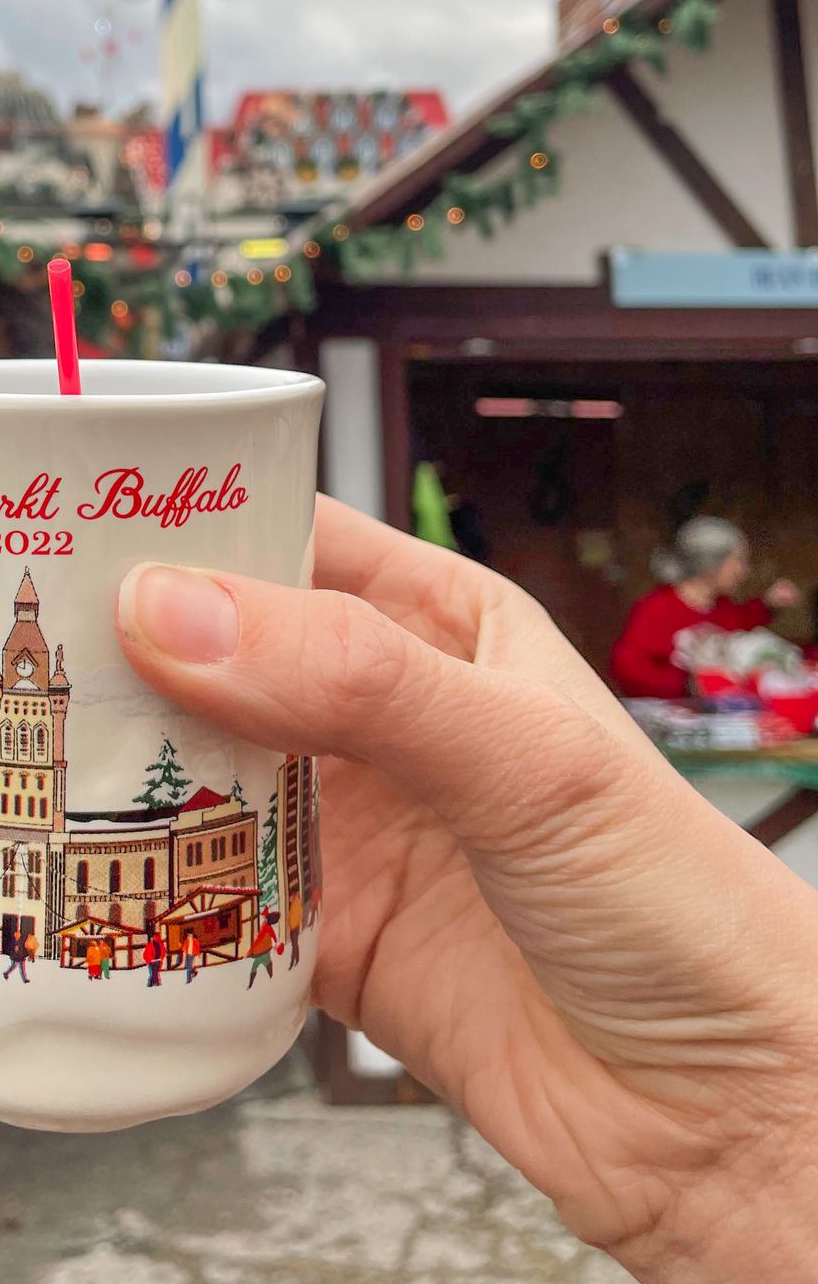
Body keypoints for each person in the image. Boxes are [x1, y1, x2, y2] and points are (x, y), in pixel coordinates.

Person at [116, 493, 818, 1282]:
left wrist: (757, 1143)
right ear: (712, 563)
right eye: (733, 565)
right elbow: (639, 666)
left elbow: (735, 644)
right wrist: (749, 1158)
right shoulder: (661, 611)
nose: (738, 576)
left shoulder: (718, 613)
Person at [610, 515, 797, 699]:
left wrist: (768, 604)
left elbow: (740, 621)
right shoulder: (657, 608)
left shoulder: (721, 606)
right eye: (738, 560)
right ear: (711, 563)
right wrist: (687, 684)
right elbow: (627, 667)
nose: (744, 571)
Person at [245, 908, 279, 987]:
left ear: (267, 918)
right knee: (267, 963)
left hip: (260, 952)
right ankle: (272, 979)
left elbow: (258, 940)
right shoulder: (267, 926)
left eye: (264, 917)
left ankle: (251, 984)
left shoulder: (264, 927)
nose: (263, 918)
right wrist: (275, 942)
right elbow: (273, 935)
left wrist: (250, 950)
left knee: (256, 966)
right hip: (265, 950)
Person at [286, 892, 303, 970]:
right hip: (293, 927)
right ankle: (297, 959)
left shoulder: (296, 903)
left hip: (294, 928)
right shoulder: (294, 903)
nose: (289, 898)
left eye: (290, 897)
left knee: (294, 945)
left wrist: (296, 925)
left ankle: (293, 962)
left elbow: (299, 915)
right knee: (295, 944)